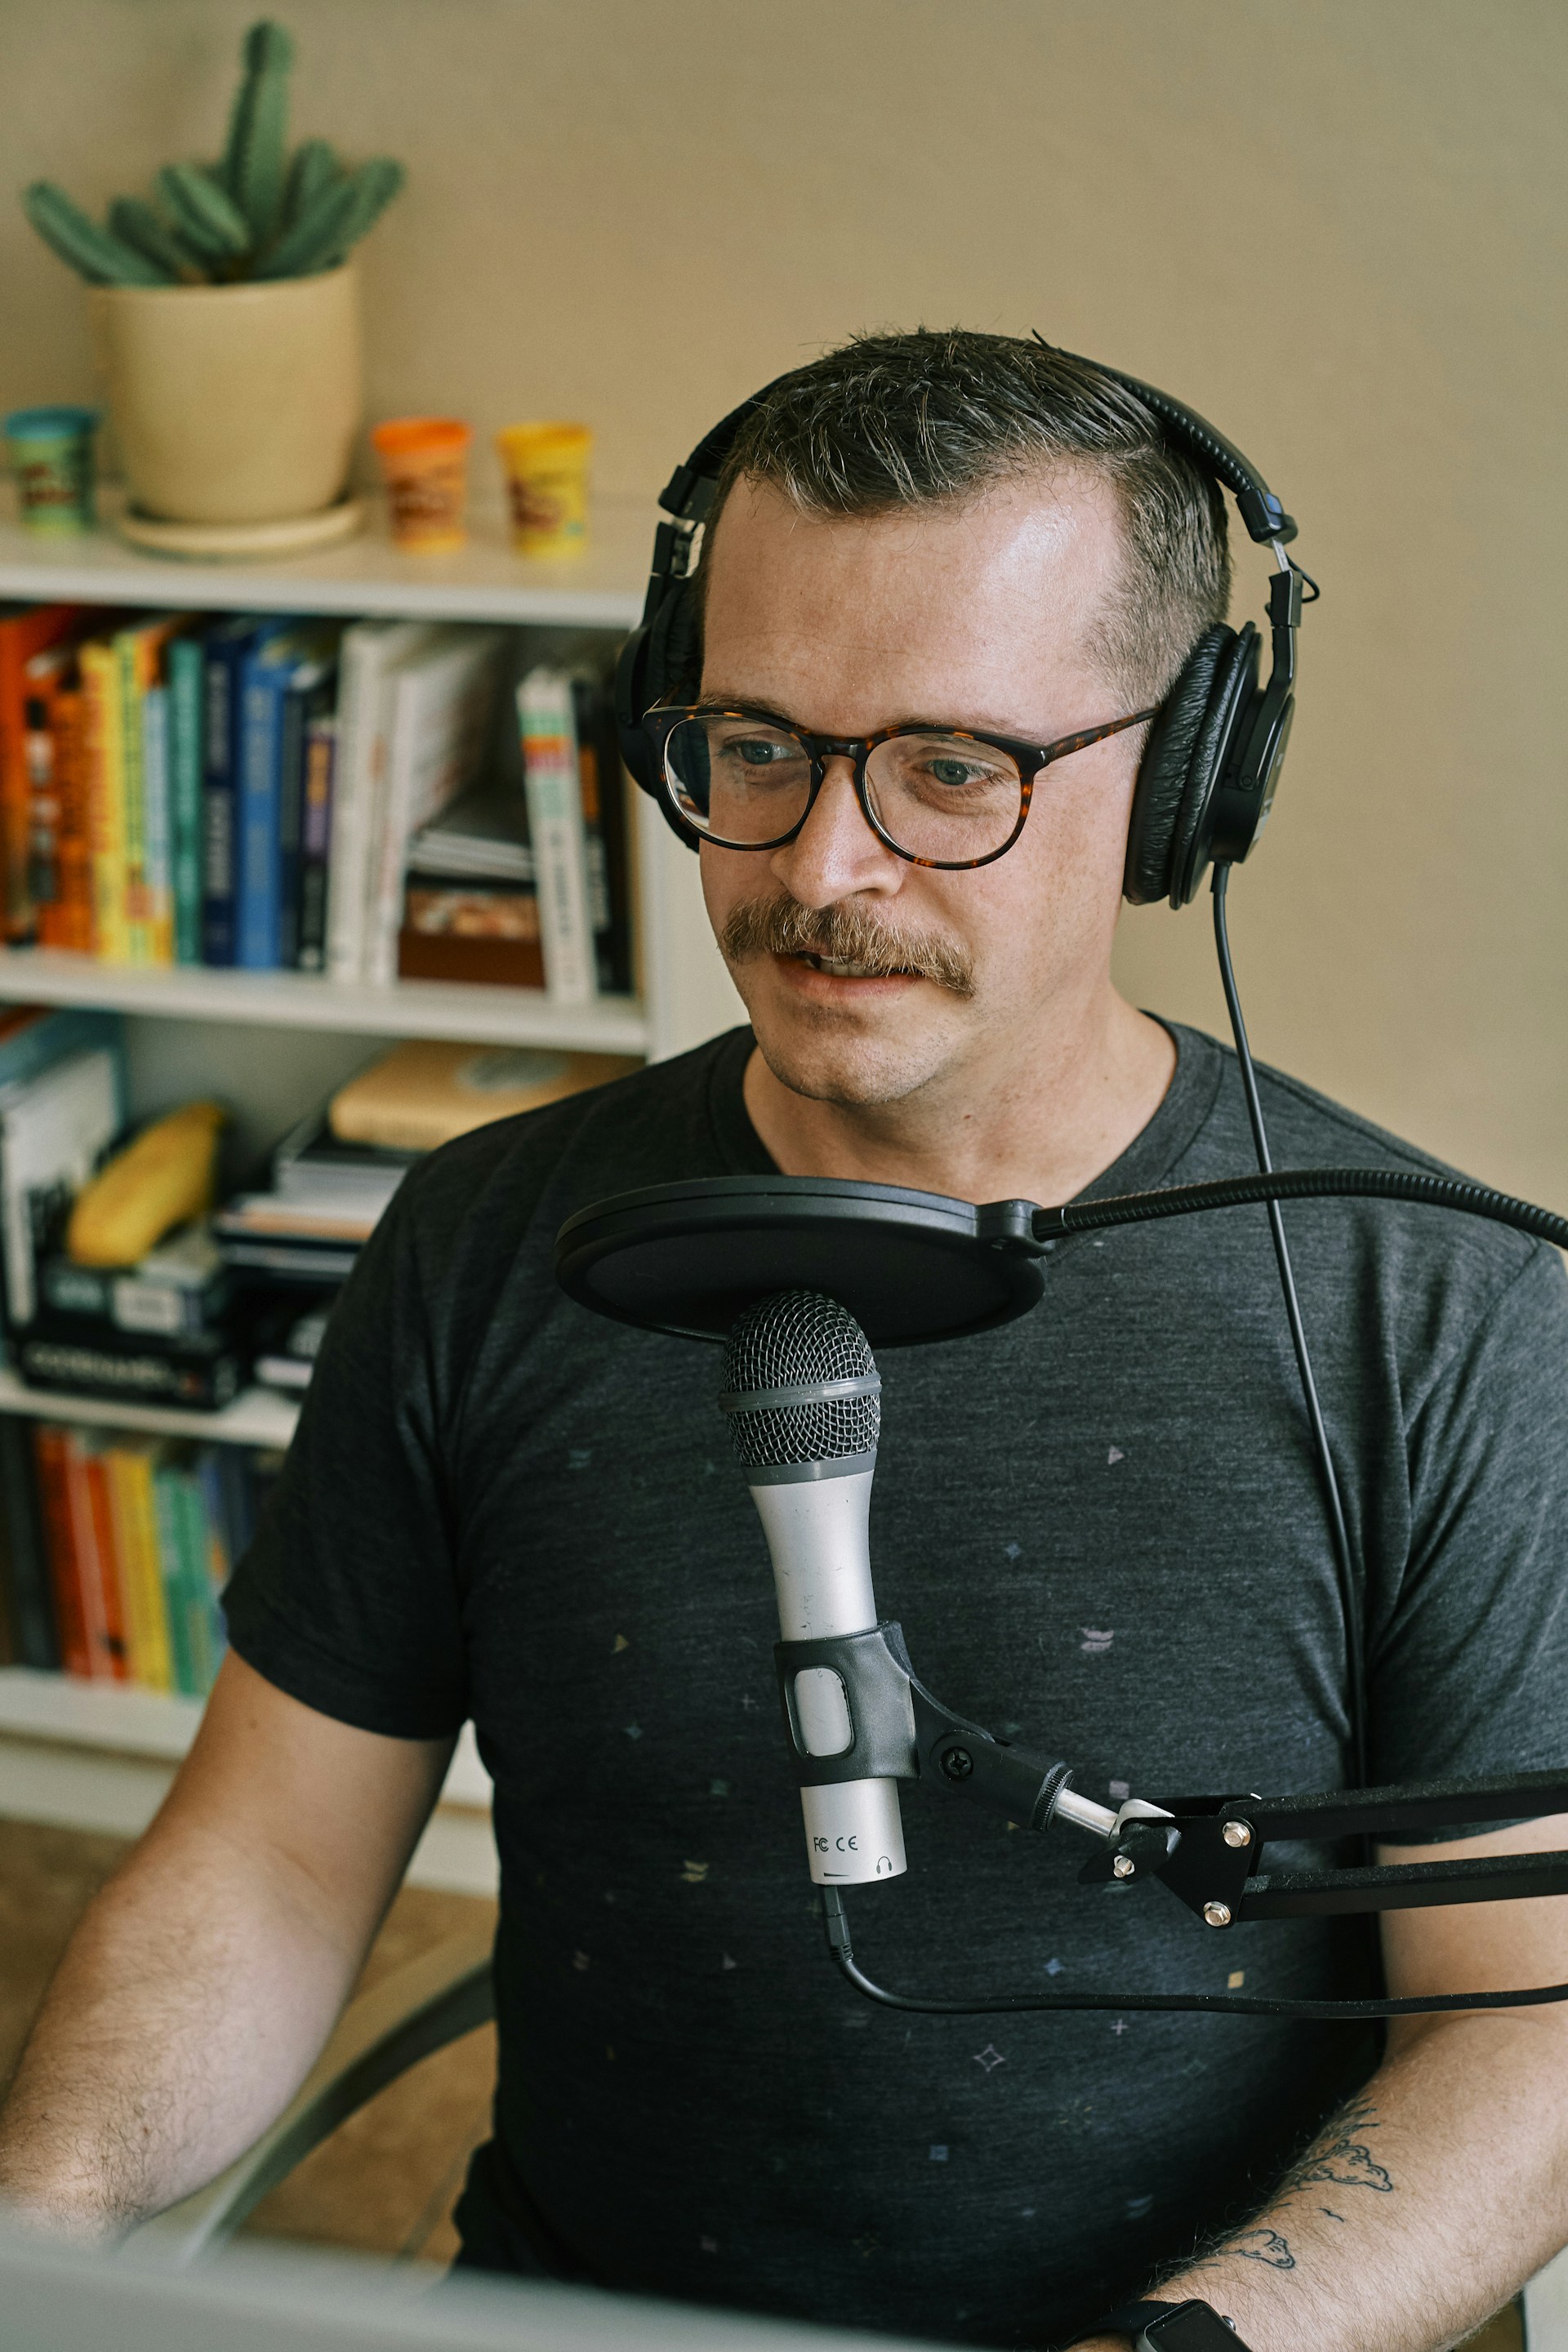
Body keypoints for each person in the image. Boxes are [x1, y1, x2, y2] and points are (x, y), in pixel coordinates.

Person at [2, 331, 1566, 2352]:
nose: (825, 871)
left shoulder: (1439, 1316)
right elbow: (272, 1869)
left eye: (951, 770)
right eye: (756, 748)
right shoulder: (486, 1235)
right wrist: (37, 2224)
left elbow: (1526, 2041)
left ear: (1186, 779)